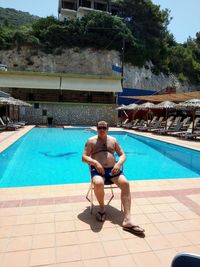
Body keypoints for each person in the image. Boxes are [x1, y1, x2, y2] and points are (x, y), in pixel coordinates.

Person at [82, 120, 145, 235]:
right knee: (98, 183)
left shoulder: (113, 140)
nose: (102, 130)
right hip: (98, 170)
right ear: (96, 129)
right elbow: (84, 157)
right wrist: (95, 163)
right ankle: (102, 209)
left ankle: (127, 220)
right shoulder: (91, 141)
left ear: (108, 129)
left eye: (104, 128)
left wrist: (118, 163)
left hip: (113, 170)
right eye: (99, 127)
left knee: (125, 183)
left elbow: (122, 154)